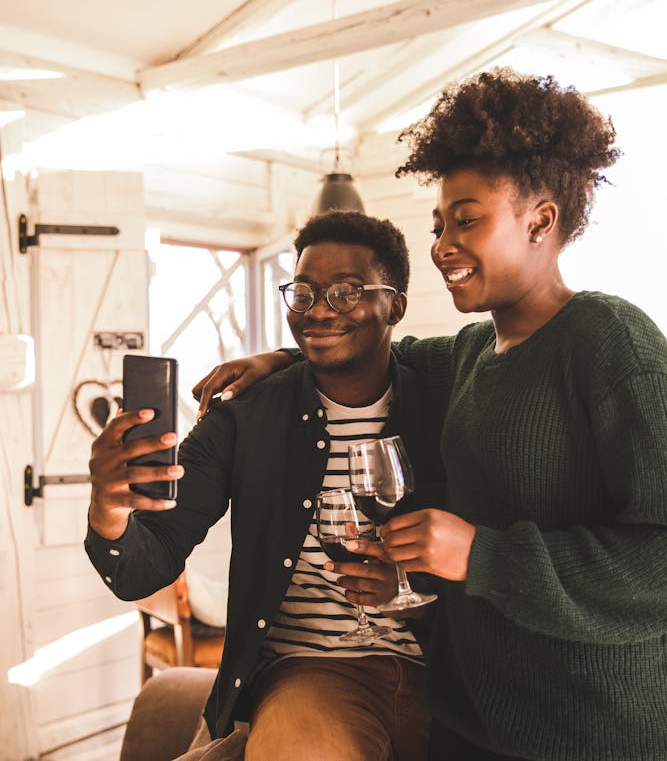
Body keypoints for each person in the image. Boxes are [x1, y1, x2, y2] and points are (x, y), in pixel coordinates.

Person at [192, 68, 667, 761]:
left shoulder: (610, 341)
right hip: (471, 730)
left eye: (467, 220)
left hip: (606, 738)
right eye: (439, 224)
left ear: (540, 220)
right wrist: (280, 359)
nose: (441, 245)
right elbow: (362, 344)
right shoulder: (466, 355)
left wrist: (482, 554)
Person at [85, 210, 444, 761]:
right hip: (308, 672)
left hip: (443, 672)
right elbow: (141, 568)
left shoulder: (445, 407)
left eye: (346, 293)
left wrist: (414, 598)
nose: (319, 309)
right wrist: (109, 510)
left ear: (393, 304)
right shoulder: (242, 417)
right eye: (303, 292)